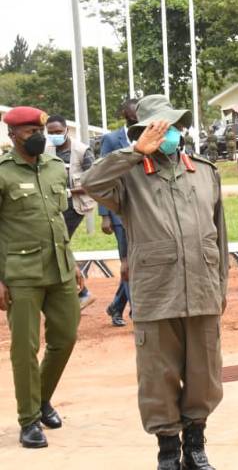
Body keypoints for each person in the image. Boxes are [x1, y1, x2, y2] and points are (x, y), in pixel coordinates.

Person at [81, 94, 228, 470]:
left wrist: (220, 290)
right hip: (156, 292)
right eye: (158, 127)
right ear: (143, 131)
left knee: (204, 374)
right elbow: (89, 182)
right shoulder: (127, 176)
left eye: (173, 125)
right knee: (157, 376)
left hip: (202, 290)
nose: (169, 133)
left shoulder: (205, 171)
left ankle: (195, 445)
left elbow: (219, 236)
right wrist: (133, 152)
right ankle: (166, 451)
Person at [1, 106, 83, 449]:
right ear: (12, 136)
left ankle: (41, 398)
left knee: (65, 337)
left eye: (40, 130)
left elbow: (57, 219)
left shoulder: (53, 168)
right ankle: (29, 420)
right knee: (25, 348)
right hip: (20, 273)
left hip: (60, 267)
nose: (37, 136)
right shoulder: (3, 173)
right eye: (29, 132)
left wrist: (74, 261)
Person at [45, 115, 97, 310]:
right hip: (53, 205)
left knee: (58, 243)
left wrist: (68, 192)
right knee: (58, 244)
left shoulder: (82, 151)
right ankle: (78, 292)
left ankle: (82, 293)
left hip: (75, 206)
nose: (54, 136)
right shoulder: (46, 149)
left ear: (66, 129)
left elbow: (93, 182)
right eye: (50, 133)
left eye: (58, 132)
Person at [100, 98, 136, 327]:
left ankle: (116, 306)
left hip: (142, 211)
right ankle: (138, 312)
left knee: (136, 262)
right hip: (119, 212)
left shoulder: (147, 136)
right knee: (128, 263)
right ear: (125, 114)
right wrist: (105, 215)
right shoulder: (112, 139)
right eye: (134, 116)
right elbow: (103, 177)